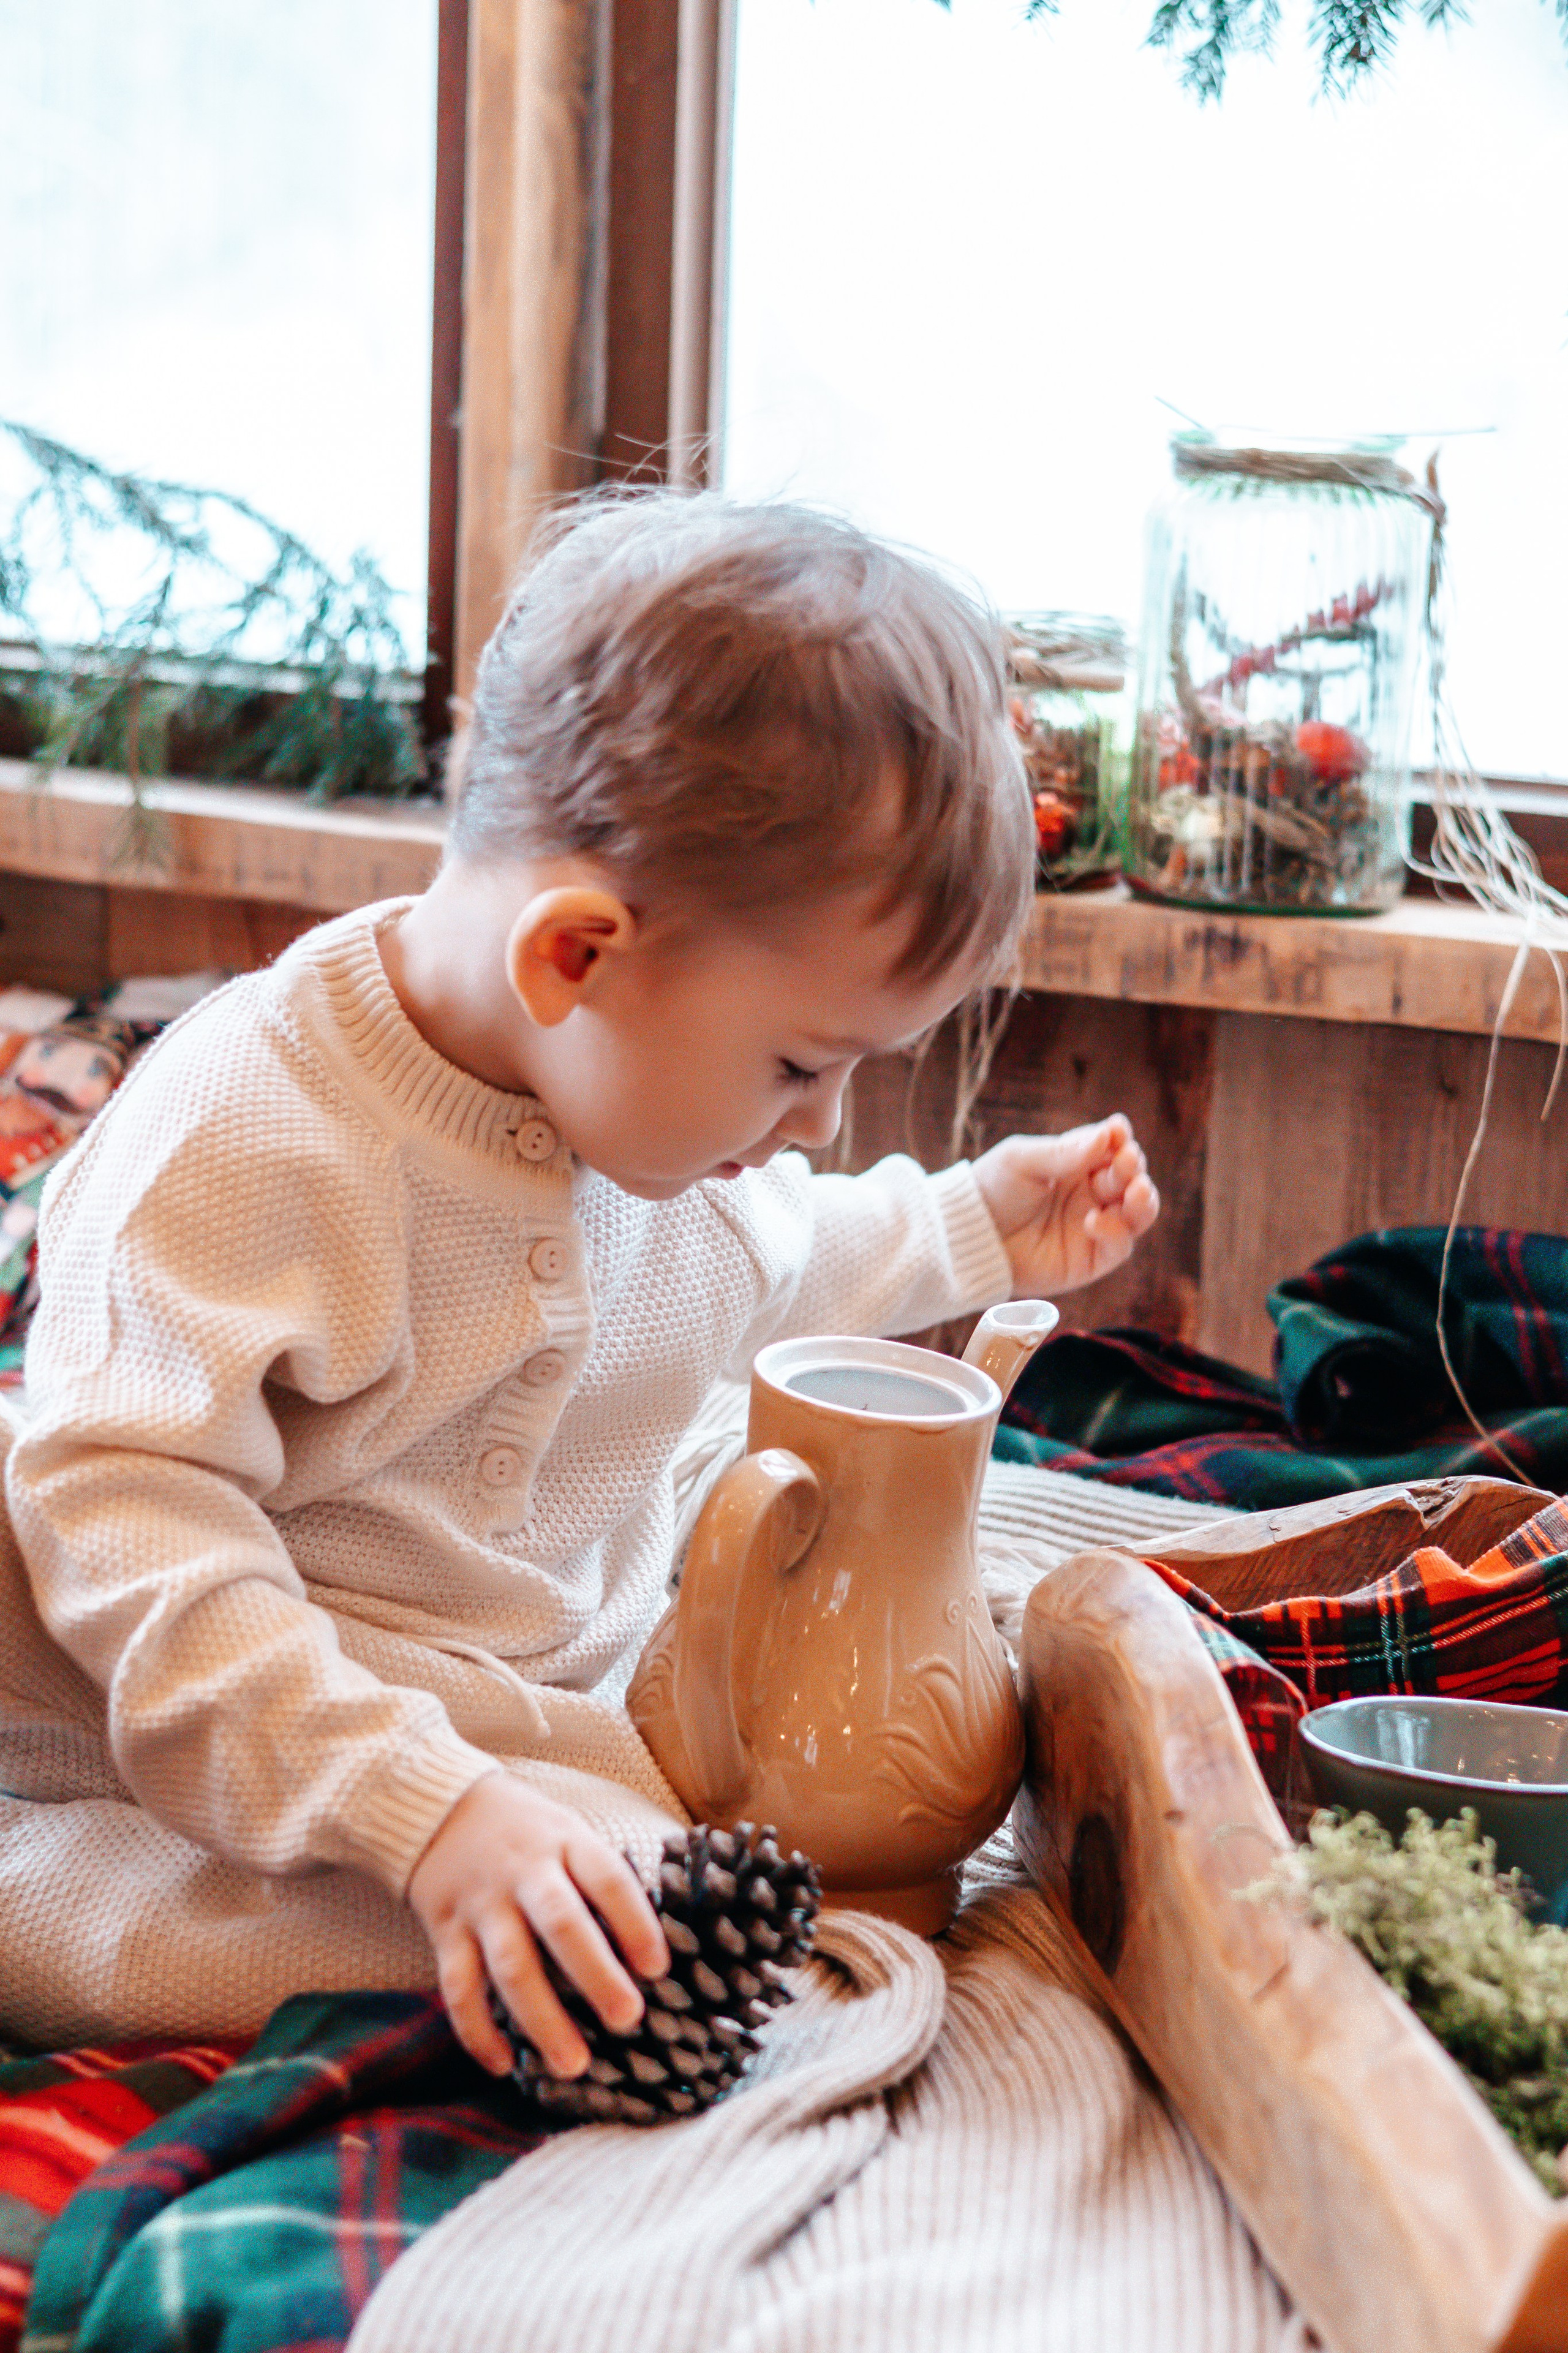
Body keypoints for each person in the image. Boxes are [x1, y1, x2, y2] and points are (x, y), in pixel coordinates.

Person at [0, 493, 1157, 2070]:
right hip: (160, 1678)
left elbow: (773, 1268)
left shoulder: (649, 1132)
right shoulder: (249, 1137)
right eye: (799, 1063)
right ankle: (40, 1903)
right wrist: (432, 1816)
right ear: (575, 958)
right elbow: (133, 1542)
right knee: (442, 1929)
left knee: (643, 1876)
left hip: (518, 1689)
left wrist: (971, 1227)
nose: (817, 1122)